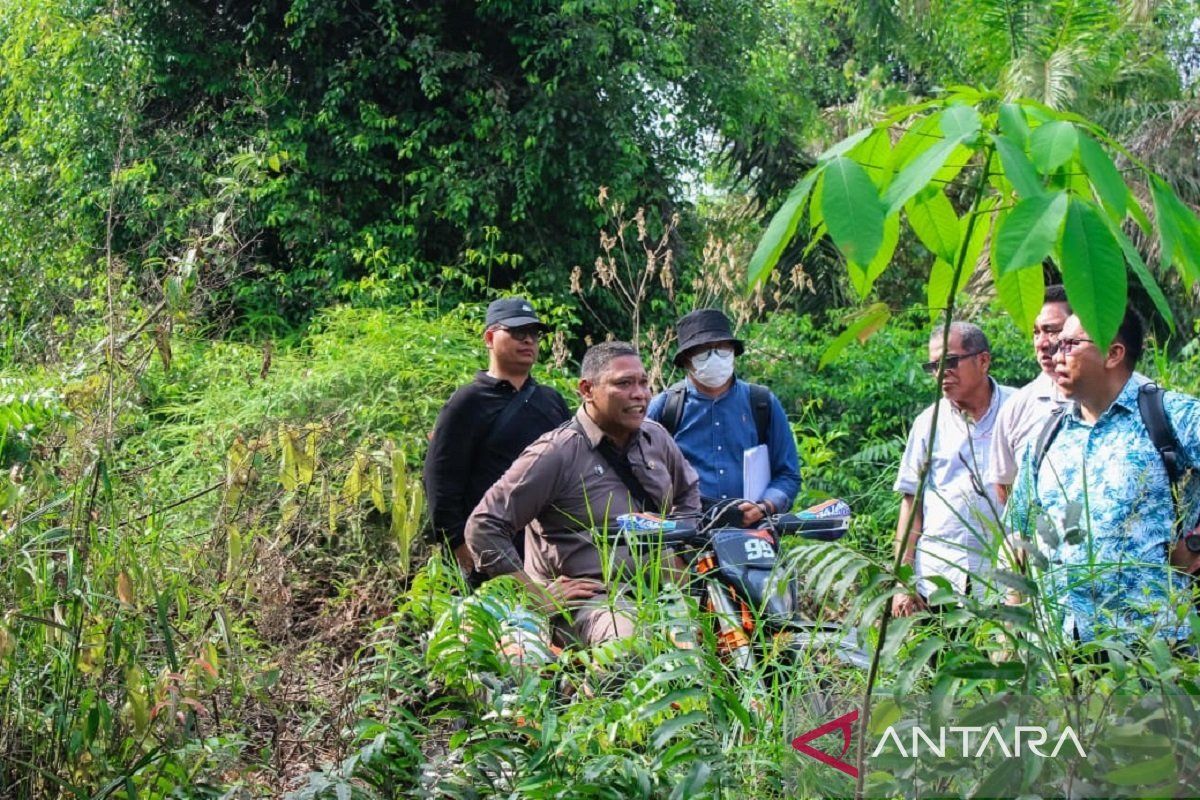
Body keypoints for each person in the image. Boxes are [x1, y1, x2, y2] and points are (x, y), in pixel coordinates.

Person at [465, 341, 701, 645]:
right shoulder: (556, 453)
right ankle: (584, 690)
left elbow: (688, 495)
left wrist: (678, 549)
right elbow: (484, 526)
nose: (640, 393)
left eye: (644, 382)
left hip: (663, 587)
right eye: (624, 383)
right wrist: (535, 595)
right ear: (587, 390)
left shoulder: (655, 437)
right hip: (594, 601)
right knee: (631, 644)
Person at [1008, 309, 1200, 644]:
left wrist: (1197, 541)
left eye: (1069, 344)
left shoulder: (1170, 416)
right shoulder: (1047, 436)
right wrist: (1011, 630)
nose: (1055, 355)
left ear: (1113, 353)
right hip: (1063, 651)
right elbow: (1018, 531)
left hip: (1154, 646)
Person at [423, 297, 570, 578]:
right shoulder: (467, 402)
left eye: (534, 334)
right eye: (517, 332)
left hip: (548, 550)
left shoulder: (551, 401)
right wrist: (458, 544)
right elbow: (440, 480)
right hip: (488, 550)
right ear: (490, 338)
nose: (528, 340)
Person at [892, 322, 1014, 617]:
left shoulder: (1018, 409)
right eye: (933, 366)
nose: (941, 374)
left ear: (983, 360)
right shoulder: (928, 422)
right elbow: (912, 504)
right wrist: (901, 582)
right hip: (938, 579)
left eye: (950, 362)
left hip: (1007, 578)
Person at [646, 308, 800, 527]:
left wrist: (765, 506)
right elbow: (640, 471)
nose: (715, 358)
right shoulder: (665, 408)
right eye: (703, 353)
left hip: (752, 532)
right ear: (687, 361)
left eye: (722, 349)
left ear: (734, 352)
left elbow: (788, 474)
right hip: (686, 534)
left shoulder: (762, 403)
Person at [987, 286, 1071, 505]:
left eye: (1052, 330)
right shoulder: (1017, 408)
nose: (1041, 343)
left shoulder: (1131, 395)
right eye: (1036, 332)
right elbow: (1005, 487)